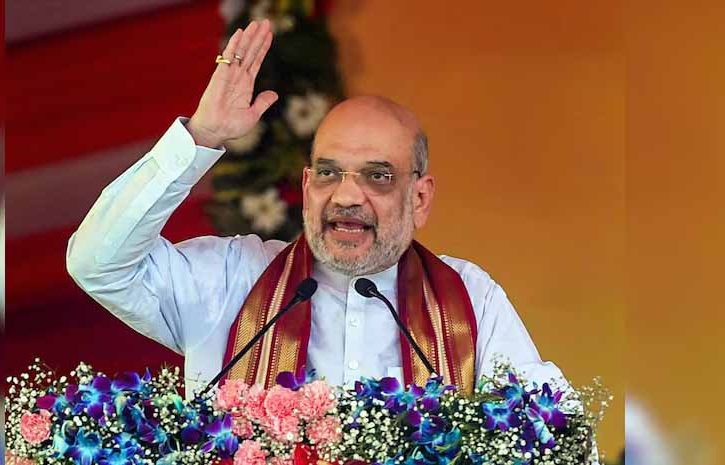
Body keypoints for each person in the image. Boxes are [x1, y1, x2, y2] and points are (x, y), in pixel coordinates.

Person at [65, 19, 567, 399]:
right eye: (328, 173)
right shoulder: (230, 279)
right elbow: (97, 264)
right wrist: (201, 136)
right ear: (306, 187)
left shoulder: (470, 300)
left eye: (377, 176)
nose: (346, 196)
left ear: (419, 198)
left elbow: (554, 434)